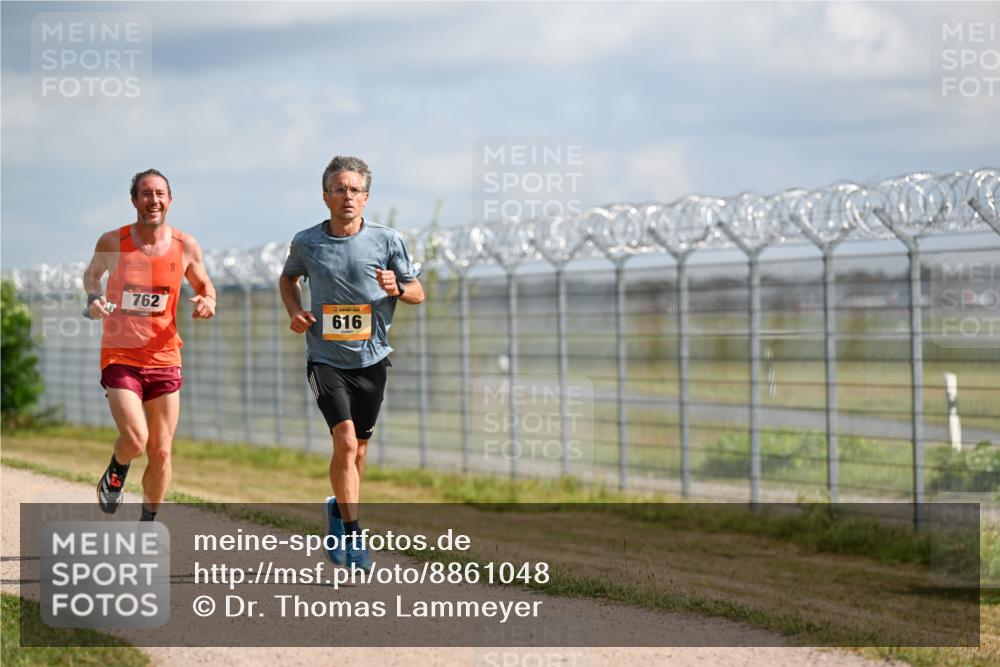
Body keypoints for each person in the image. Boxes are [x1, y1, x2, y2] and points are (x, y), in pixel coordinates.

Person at [280, 156, 424, 571]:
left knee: (359, 453)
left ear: (366, 197)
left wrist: (398, 287)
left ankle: (338, 512)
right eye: (339, 189)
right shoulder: (307, 242)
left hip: (372, 358)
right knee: (343, 443)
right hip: (324, 357)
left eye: (355, 190)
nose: (348, 196)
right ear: (326, 195)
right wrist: (295, 310)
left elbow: (418, 292)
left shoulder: (387, 240)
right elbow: (287, 278)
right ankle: (357, 537)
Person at [83, 168, 216, 521]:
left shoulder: (185, 246)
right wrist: (94, 299)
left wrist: (208, 301)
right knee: (136, 439)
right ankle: (118, 466)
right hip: (121, 355)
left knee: (161, 452)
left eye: (159, 193)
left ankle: (147, 523)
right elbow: (91, 275)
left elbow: (205, 287)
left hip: (165, 357)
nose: (153, 200)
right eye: (145, 193)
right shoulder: (114, 242)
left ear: (169, 200)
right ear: (134, 201)